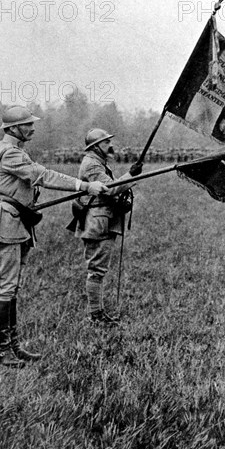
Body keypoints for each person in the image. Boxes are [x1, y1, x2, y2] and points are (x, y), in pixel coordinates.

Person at [0, 106, 110, 369]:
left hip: (14, 223)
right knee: (4, 288)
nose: (33, 128)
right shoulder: (10, 153)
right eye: (27, 124)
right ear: (13, 128)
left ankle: (13, 346)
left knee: (11, 287)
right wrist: (84, 186)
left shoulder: (12, 150)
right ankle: (3, 352)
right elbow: (43, 175)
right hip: (3, 224)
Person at [68, 128, 142, 325]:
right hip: (97, 221)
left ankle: (98, 314)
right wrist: (130, 175)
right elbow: (109, 189)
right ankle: (96, 316)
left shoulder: (97, 163)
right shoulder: (92, 165)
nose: (110, 145)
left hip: (102, 219)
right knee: (96, 270)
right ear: (95, 146)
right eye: (106, 142)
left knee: (98, 269)